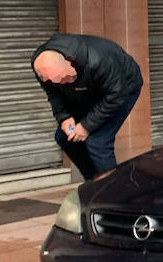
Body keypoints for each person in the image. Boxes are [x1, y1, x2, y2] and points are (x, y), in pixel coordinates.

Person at [31, 33, 144, 181]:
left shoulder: (100, 60)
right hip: (86, 91)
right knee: (64, 137)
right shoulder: (42, 65)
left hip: (122, 89)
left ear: (71, 65)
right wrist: (64, 116)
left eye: (66, 79)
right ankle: (95, 182)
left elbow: (116, 96)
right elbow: (53, 93)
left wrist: (86, 126)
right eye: (58, 82)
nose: (63, 83)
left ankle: (113, 193)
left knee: (98, 141)